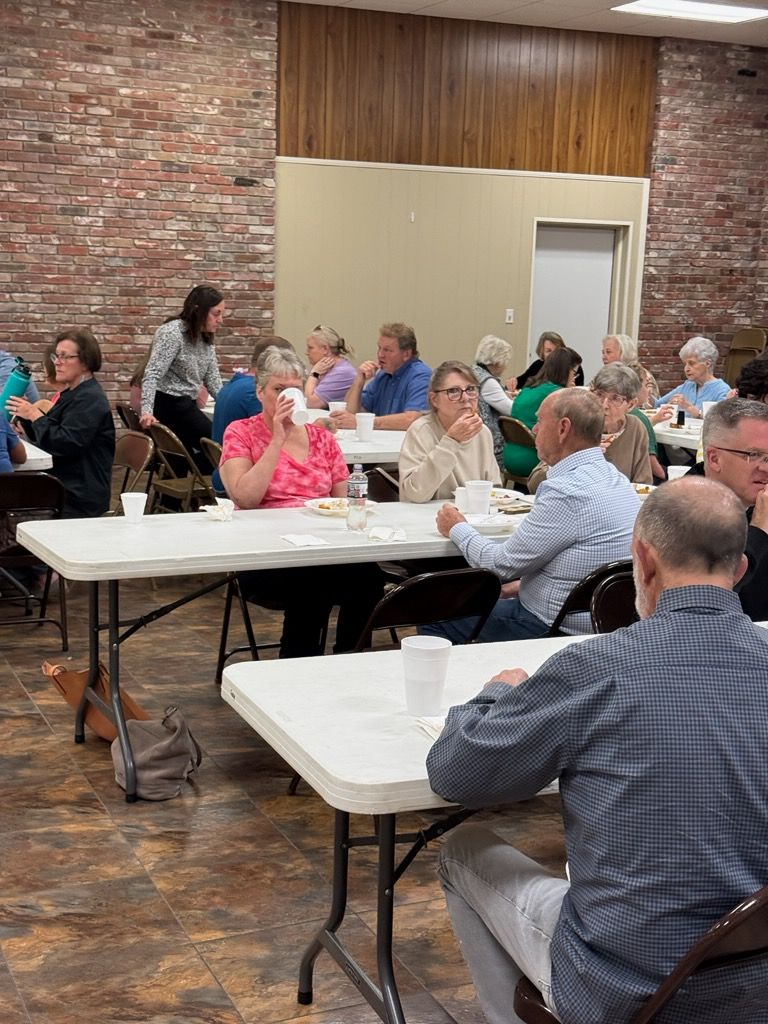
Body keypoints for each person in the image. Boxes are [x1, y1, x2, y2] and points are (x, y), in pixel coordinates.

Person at [426, 477, 768, 1024]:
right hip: (754, 984)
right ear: (740, 569)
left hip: (628, 986)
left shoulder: (596, 667)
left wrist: (494, 695)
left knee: (463, 849)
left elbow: (455, 775)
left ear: (644, 560)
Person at [423, 389, 639, 642]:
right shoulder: (616, 480)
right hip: (604, 619)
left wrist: (456, 527)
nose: (534, 430)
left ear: (563, 429)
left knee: (434, 616)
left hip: (552, 624)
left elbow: (499, 565)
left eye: (539, 421)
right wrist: (522, 586)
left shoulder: (566, 492)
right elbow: (578, 560)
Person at [219, 347, 385, 658]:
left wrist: (358, 503)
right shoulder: (241, 433)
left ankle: (351, 658)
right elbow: (245, 497)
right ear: (260, 392)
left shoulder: (322, 439)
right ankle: (297, 665)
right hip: (264, 551)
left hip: (321, 544)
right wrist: (277, 439)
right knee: (312, 583)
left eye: (293, 389)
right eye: (278, 389)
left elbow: (344, 500)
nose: (286, 397)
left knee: (369, 576)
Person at [6, 329, 115, 517]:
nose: (57, 362)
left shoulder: (90, 399)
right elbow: (50, 435)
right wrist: (25, 417)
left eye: (64, 356)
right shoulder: (73, 393)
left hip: (78, 495)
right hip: (65, 484)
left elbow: (65, 443)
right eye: (56, 356)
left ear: (85, 361)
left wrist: (34, 415)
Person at [688, 397, 768, 622]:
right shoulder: (683, 511)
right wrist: (760, 531)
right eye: (753, 455)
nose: (765, 468)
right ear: (714, 459)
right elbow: (707, 600)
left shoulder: (757, 502)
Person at [528, 363, 652, 491]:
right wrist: (577, 457)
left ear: (631, 404)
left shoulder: (636, 428)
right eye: (599, 394)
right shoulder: (579, 424)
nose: (604, 405)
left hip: (618, 505)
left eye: (616, 398)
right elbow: (534, 484)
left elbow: (643, 483)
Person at [139, 284, 224, 466]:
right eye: (216, 314)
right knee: (218, 446)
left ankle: (194, 482)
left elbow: (213, 380)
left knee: (189, 459)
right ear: (198, 311)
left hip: (185, 405)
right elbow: (152, 373)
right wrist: (146, 411)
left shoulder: (205, 338)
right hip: (169, 404)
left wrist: (228, 403)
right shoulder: (173, 332)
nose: (220, 320)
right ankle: (203, 485)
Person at [399, 361, 500, 502]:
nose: (465, 398)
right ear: (434, 400)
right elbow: (415, 493)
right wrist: (451, 441)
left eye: (471, 389)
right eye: (453, 391)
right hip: (428, 518)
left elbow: (494, 489)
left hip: (473, 518)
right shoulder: (421, 431)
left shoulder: (482, 432)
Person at [330, 322, 431, 431]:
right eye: (379, 348)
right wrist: (359, 381)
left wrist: (364, 422)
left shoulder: (421, 376)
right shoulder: (383, 374)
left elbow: (412, 419)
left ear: (406, 354)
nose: (380, 354)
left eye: (387, 350)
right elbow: (350, 414)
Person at [505, 348, 581, 480]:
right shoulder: (558, 395)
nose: (574, 378)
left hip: (510, 456)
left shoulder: (526, 390)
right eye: (574, 373)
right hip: (535, 461)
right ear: (565, 371)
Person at [654, 335, 730, 416]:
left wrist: (693, 410)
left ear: (708, 363)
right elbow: (657, 405)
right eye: (685, 364)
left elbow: (722, 421)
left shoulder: (722, 390)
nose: (686, 369)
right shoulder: (686, 386)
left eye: (692, 363)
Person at [471, 335, 513, 470]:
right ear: (497, 362)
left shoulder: (473, 371)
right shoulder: (488, 382)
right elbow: (511, 410)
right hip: (492, 444)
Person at [303, 325, 357, 408]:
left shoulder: (342, 372)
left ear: (325, 349)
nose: (306, 352)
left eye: (310, 348)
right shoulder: (324, 368)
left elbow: (310, 403)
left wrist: (314, 374)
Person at [511, 331, 584, 391]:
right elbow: (520, 383)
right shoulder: (537, 365)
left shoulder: (573, 367)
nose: (554, 354)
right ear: (541, 352)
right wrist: (512, 382)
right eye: (548, 351)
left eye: (557, 350)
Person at [601, 332, 659, 403]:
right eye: (603, 353)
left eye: (608, 352)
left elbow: (650, 405)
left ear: (624, 353)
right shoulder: (605, 374)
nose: (603, 357)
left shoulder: (640, 375)